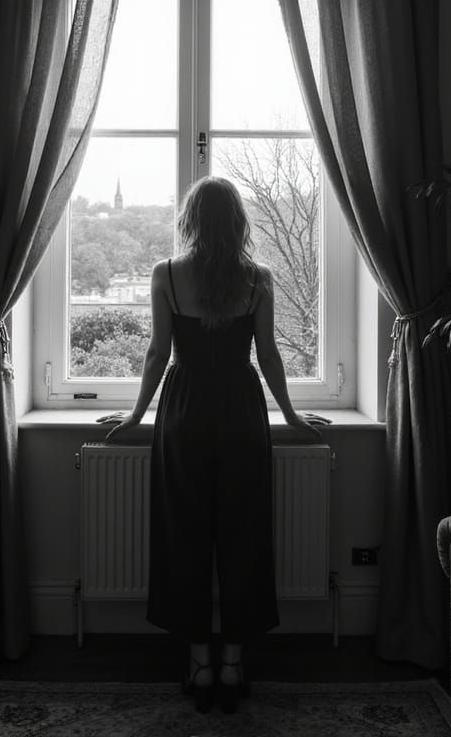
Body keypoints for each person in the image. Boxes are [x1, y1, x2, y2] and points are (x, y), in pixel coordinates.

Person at [97, 177, 326, 714]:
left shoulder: (166, 275)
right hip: (242, 413)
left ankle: (199, 664)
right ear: (238, 223)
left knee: (185, 534)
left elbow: (157, 354)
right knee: (244, 533)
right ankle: (233, 664)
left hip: (185, 412)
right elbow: (267, 355)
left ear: (190, 221)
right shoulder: (258, 278)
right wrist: (290, 415)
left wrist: (135, 415)